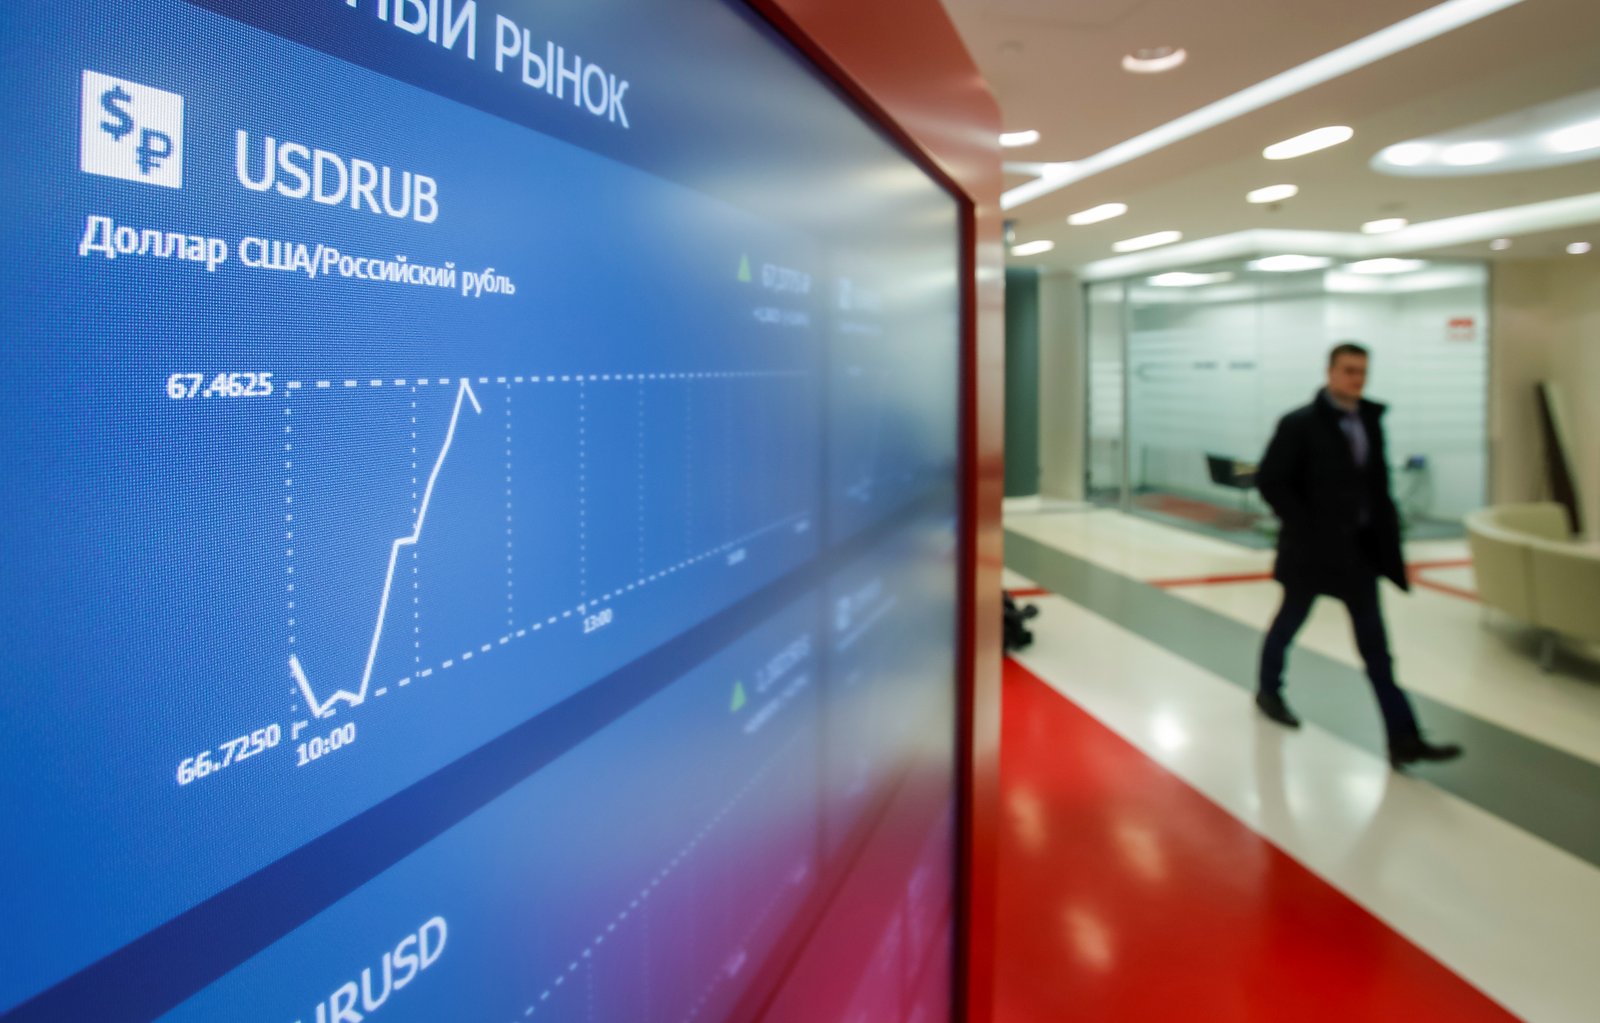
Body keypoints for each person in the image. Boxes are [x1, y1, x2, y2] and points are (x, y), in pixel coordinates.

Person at [1253, 342, 1462, 769]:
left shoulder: (1369, 419)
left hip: (1359, 556)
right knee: (1288, 623)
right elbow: (1272, 482)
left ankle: (1404, 737)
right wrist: (1306, 526)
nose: (1357, 379)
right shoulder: (1300, 424)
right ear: (1329, 372)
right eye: (1349, 371)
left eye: (1362, 372)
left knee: (1377, 651)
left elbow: (1374, 486)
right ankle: (1269, 691)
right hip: (1312, 553)